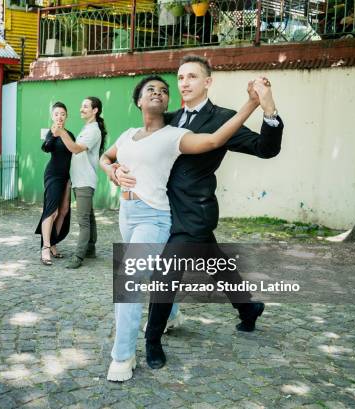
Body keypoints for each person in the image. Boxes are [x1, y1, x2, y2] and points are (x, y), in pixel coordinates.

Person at [117, 55, 283, 371]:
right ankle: (249, 309)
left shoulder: (224, 118)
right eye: (180, 78)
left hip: (193, 213)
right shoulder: (169, 118)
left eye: (192, 77)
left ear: (208, 81)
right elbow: (132, 151)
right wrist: (114, 169)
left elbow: (266, 148)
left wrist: (268, 109)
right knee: (216, 262)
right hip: (162, 210)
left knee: (165, 274)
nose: (185, 83)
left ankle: (152, 341)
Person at [52, 97, 107, 269]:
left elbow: (75, 149)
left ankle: (78, 256)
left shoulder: (93, 130)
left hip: (84, 181)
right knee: (88, 217)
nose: (81, 109)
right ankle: (90, 248)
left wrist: (61, 133)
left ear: (95, 110)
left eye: (85, 106)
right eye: (81, 105)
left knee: (83, 220)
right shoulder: (88, 128)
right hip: (80, 180)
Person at [35, 102, 75, 265]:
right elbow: (46, 148)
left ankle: (53, 242)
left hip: (66, 176)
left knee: (64, 211)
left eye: (63, 114)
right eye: (57, 113)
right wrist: (53, 133)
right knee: (52, 211)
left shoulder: (70, 134)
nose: (60, 116)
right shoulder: (51, 133)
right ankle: (45, 247)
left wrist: (71, 179)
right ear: (53, 116)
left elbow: (74, 153)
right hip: (53, 175)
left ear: (66, 116)